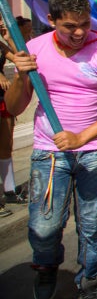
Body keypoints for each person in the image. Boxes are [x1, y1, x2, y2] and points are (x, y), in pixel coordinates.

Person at [4, 0, 97, 299]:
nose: (79, 32)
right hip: (49, 155)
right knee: (44, 227)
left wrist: (81, 137)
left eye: (84, 24)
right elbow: (14, 107)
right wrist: (22, 76)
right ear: (51, 19)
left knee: (90, 224)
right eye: (69, 26)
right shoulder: (34, 49)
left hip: (94, 154)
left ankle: (90, 282)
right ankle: (46, 270)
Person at [0, 16, 32, 217]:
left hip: (2, 97)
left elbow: (22, 56)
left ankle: (9, 190)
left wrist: (9, 37)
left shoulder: (1, 44)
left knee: (6, 143)